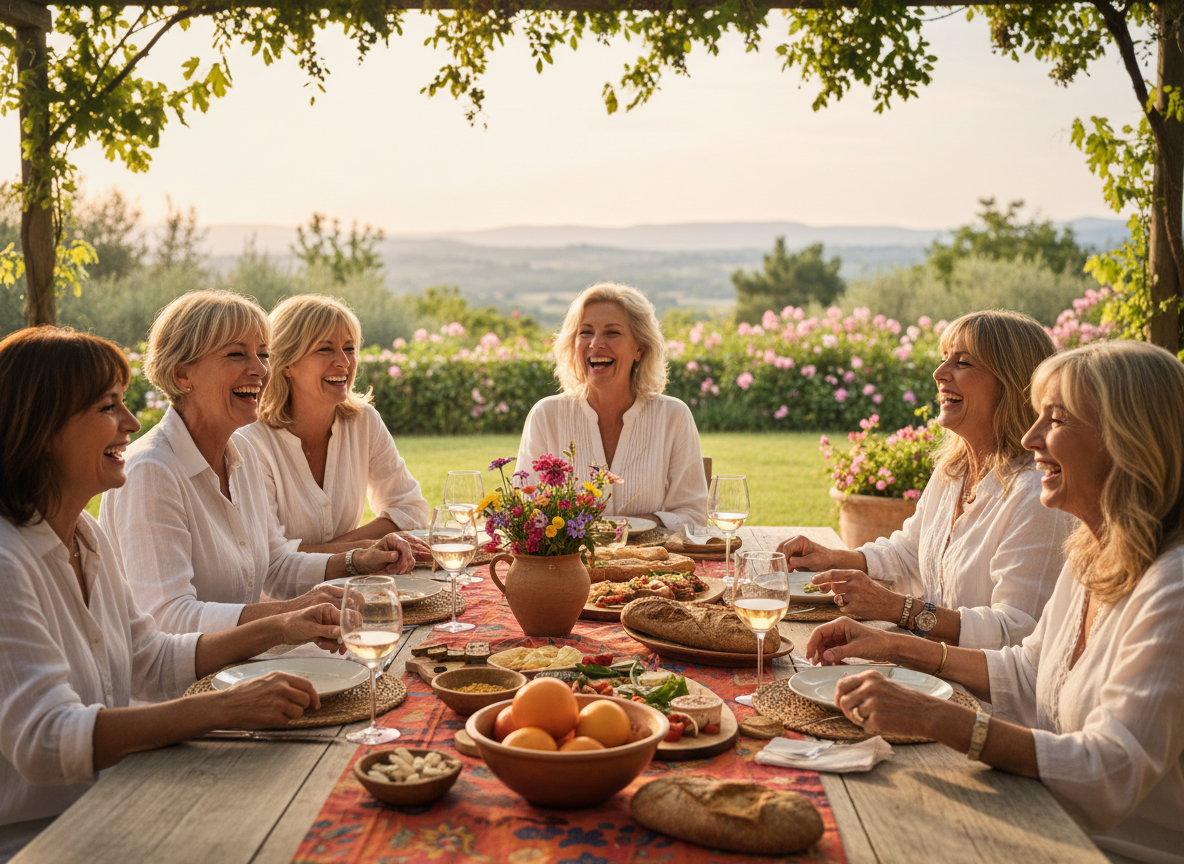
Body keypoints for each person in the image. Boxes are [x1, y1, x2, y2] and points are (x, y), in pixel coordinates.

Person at [805, 340, 1184, 864]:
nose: (1032, 437)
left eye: (1056, 419)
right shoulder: (1093, 554)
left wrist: (937, 718)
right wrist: (892, 647)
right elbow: (1026, 674)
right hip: (1040, 813)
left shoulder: (1173, 590)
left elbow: (1108, 769)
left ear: (1128, 442)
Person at [0, 327, 343, 840]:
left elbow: (151, 659)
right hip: (41, 838)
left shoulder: (84, 535)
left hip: (120, 796)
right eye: (107, 407)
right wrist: (222, 707)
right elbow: (48, 740)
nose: (131, 422)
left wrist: (282, 626)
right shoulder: (7, 562)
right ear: (39, 428)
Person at [100, 290, 414, 636]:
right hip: (186, 689)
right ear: (182, 376)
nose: (260, 369)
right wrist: (288, 615)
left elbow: (276, 565)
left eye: (263, 354)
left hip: (245, 667)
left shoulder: (241, 453)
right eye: (236, 355)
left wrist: (357, 560)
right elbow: (168, 619)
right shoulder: (150, 471)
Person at [778, 310, 1075, 648]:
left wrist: (899, 609)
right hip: (928, 670)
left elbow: (1015, 630)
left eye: (962, 363)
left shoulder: (1037, 495)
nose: (939, 373)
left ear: (1010, 384)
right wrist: (833, 558)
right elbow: (910, 552)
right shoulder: (955, 469)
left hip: (977, 695)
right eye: (944, 359)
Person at [240, 295, 429, 555]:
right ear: (286, 364)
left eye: (349, 348)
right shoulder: (251, 442)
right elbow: (269, 560)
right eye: (325, 349)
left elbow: (411, 509)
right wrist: (360, 551)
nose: (344, 361)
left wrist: (345, 553)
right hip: (284, 597)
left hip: (354, 588)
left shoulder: (364, 421)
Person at [516, 282, 708, 532]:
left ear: (639, 347)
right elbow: (525, 510)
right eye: (585, 332)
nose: (596, 344)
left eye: (612, 333)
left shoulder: (673, 417)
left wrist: (630, 527)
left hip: (653, 568)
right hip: (568, 569)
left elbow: (693, 515)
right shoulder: (546, 416)